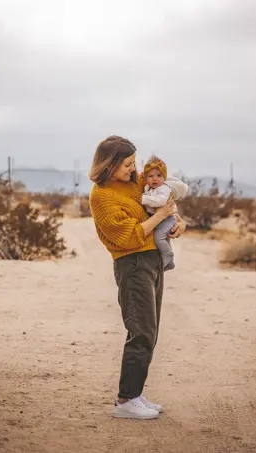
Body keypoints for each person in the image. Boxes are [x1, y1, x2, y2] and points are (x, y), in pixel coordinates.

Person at [88, 135, 187, 420]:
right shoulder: (102, 195)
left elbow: (163, 197)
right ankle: (125, 401)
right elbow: (129, 235)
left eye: (134, 163)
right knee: (141, 331)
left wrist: (178, 221)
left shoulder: (135, 181)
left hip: (153, 260)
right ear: (109, 165)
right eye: (127, 165)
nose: (134, 170)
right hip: (131, 265)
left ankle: (136, 393)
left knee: (150, 331)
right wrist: (161, 217)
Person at [141, 155, 188, 271]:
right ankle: (170, 263)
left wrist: (143, 199)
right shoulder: (150, 188)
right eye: (150, 176)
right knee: (165, 238)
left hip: (168, 219)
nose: (154, 179)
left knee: (158, 238)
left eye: (159, 175)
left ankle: (168, 255)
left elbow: (161, 201)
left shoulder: (164, 188)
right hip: (161, 218)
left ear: (165, 177)